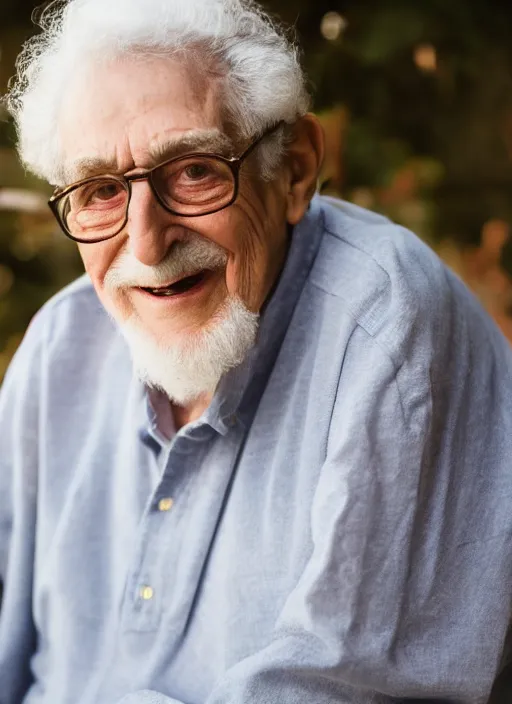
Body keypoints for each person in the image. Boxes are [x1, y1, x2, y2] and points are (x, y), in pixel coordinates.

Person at [1, 0, 511, 702]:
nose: (147, 244)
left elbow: (344, 690)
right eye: (100, 192)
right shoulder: (60, 348)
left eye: (193, 171)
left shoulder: (384, 330)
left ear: (294, 170)